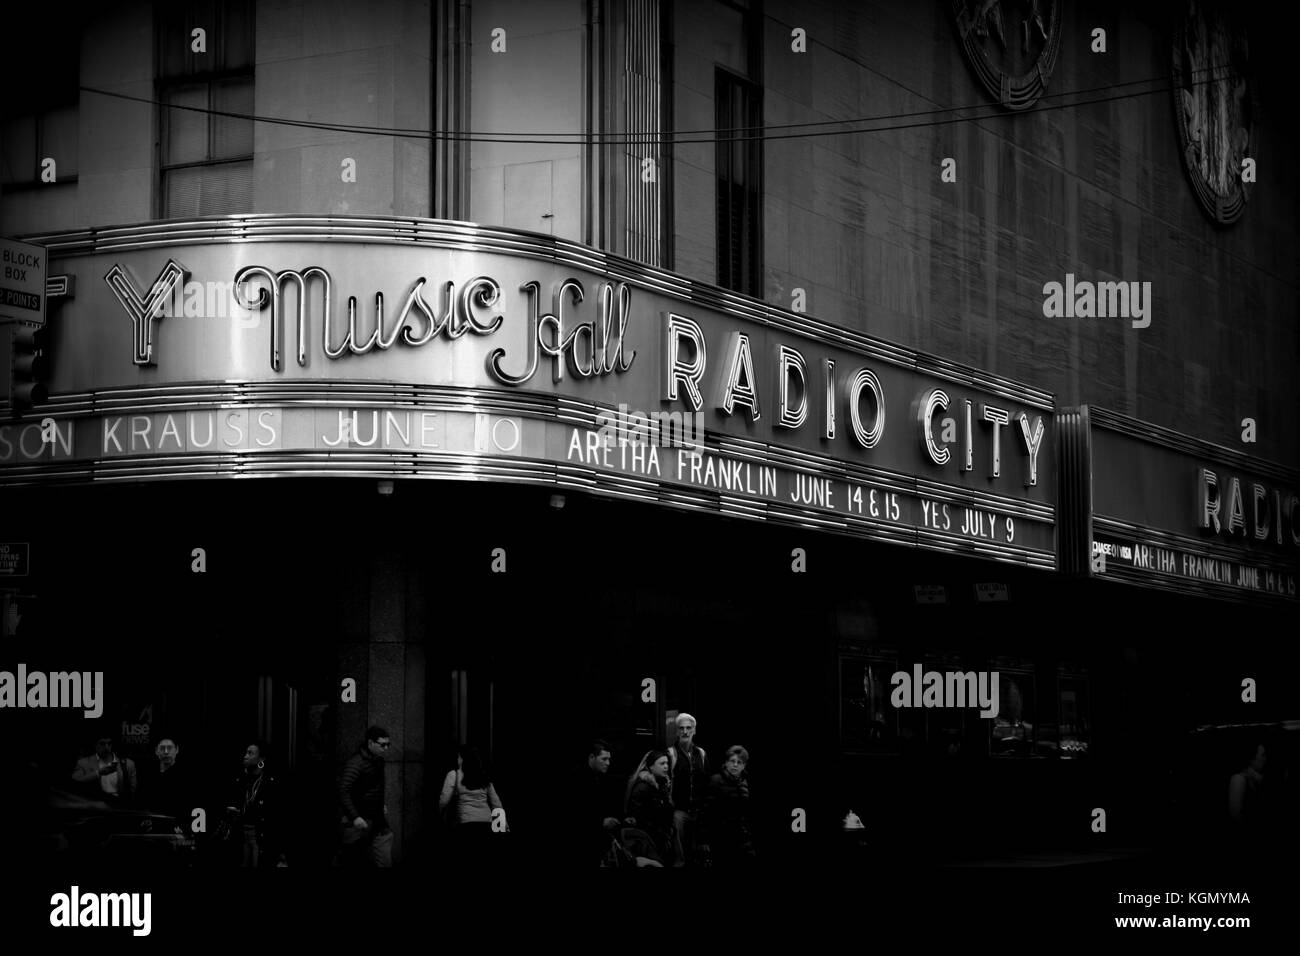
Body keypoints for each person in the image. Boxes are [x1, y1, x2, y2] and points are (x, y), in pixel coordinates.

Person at [438, 746, 504, 863]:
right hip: (486, 824)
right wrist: (501, 828)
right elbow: (497, 804)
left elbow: (444, 800)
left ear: (463, 759)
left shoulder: (454, 775)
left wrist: (440, 815)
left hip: (465, 824)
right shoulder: (484, 776)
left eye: (459, 757)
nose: (457, 760)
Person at [338, 726, 393, 867]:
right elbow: (343, 791)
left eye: (388, 744)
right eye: (383, 744)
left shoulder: (378, 761)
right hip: (359, 819)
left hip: (375, 818)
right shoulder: (356, 763)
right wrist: (355, 816)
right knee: (351, 858)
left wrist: (380, 804)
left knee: (383, 853)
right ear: (370, 743)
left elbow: (375, 787)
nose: (386, 748)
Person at [222, 742, 282, 867]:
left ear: (261, 759)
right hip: (241, 834)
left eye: (250, 753)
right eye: (246, 753)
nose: (246, 756)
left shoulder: (270, 782)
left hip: (259, 835)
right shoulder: (240, 779)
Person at [625, 750, 680, 866]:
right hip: (650, 842)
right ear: (651, 767)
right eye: (662, 763)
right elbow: (638, 819)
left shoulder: (661, 785)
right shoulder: (643, 787)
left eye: (667, 763)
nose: (666, 767)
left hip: (661, 838)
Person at [703, 745, 756, 867]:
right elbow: (706, 811)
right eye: (732, 761)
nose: (735, 765)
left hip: (741, 835)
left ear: (744, 766)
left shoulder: (745, 782)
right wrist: (704, 840)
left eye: (739, 762)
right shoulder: (716, 780)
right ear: (726, 763)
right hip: (720, 835)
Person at [667, 713, 709, 864]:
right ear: (677, 732)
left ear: (694, 731)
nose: (685, 731)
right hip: (679, 811)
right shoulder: (671, 754)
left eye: (688, 728)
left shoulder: (701, 754)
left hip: (698, 811)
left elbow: (706, 784)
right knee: (679, 857)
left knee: (696, 854)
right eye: (681, 728)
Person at [578, 739, 623, 865]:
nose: (608, 763)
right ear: (592, 757)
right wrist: (601, 822)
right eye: (604, 759)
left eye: (609, 759)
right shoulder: (580, 780)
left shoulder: (601, 778)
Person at [140, 736, 193, 833]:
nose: (166, 751)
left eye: (169, 748)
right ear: (156, 751)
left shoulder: (186, 777)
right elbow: (145, 802)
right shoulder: (149, 776)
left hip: (176, 829)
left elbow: (187, 807)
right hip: (153, 829)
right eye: (162, 748)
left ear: (177, 750)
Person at [1227, 740, 1267, 858]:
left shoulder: (1256, 780)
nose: (1266, 759)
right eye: (1263, 755)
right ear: (1252, 758)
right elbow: (1236, 816)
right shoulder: (1239, 780)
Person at [72, 736, 138, 808]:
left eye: (109, 744)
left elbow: (132, 789)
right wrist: (98, 773)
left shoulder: (127, 764)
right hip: (94, 807)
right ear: (95, 745)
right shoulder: (83, 763)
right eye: (102, 744)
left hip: (119, 807)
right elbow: (73, 784)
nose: (106, 747)